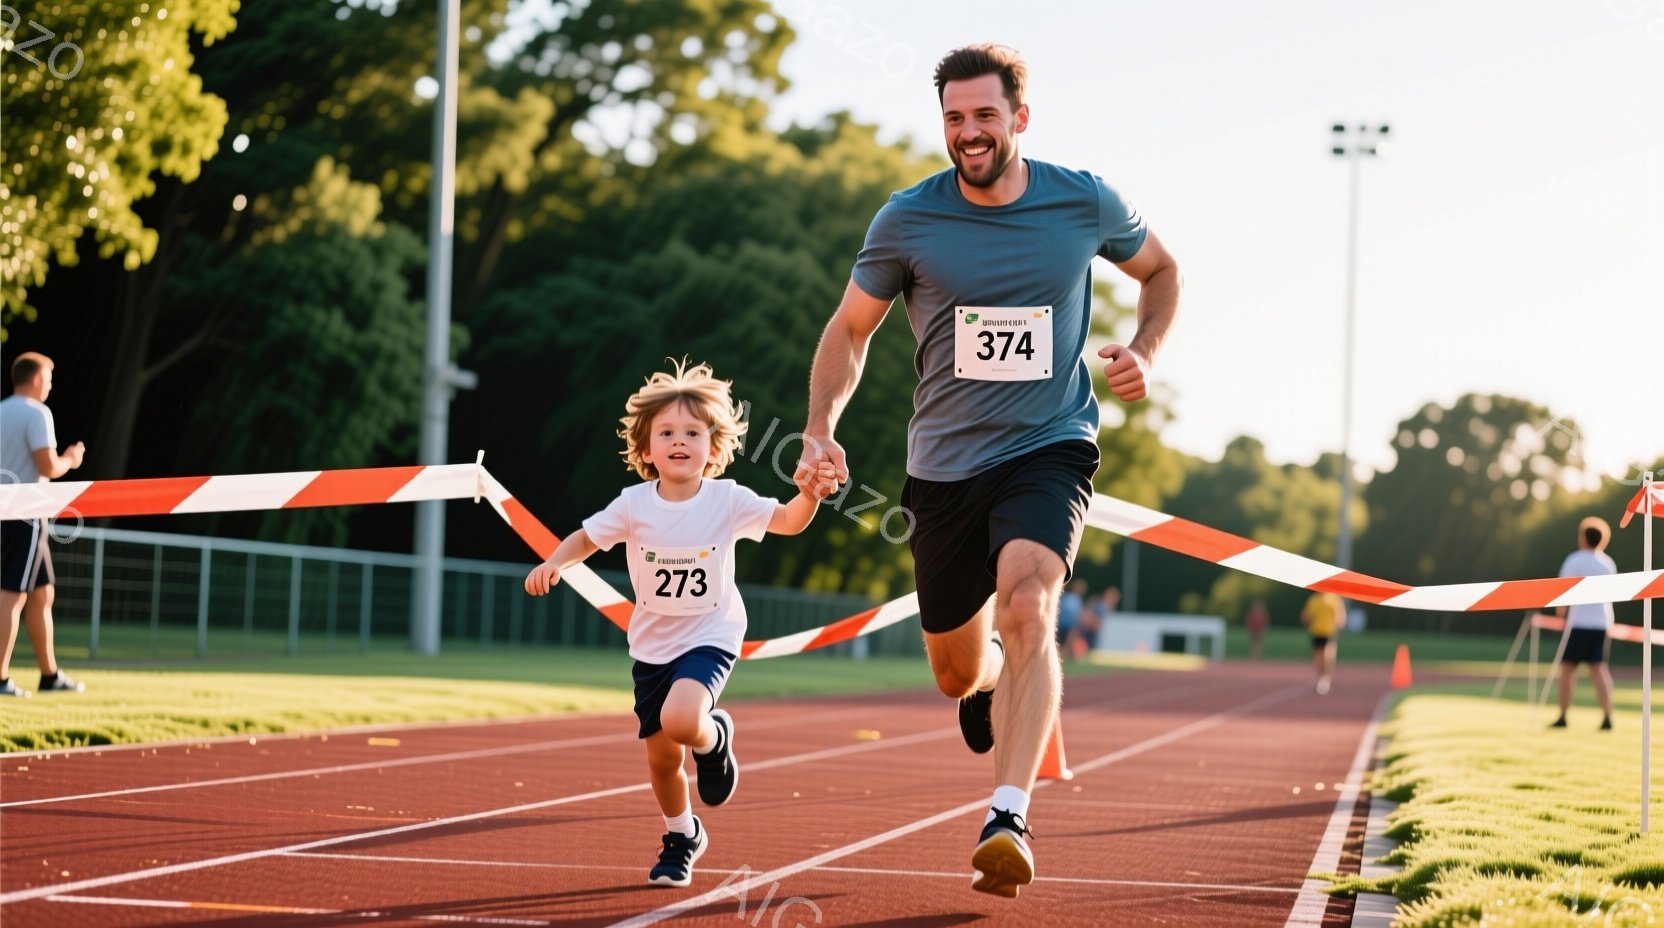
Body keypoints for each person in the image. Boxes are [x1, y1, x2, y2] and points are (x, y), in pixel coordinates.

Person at [795, 43, 1181, 898]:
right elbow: (848, 330)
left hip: (1049, 447)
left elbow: (1161, 269)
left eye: (984, 116)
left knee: (1029, 602)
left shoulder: (1083, 199)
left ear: (1020, 119)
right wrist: (821, 428)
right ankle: (994, 680)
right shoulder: (907, 219)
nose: (969, 133)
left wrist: (1146, 352)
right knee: (956, 672)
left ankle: (1008, 815)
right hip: (942, 470)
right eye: (954, 118)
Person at [524, 360, 835, 888]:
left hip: (711, 633)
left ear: (712, 449)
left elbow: (785, 520)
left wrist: (810, 495)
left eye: (692, 433)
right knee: (663, 759)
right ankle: (681, 833)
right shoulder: (633, 505)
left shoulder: (727, 499)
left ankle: (713, 740)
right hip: (652, 646)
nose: (678, 442)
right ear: (646, 449)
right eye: (666, 433)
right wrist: (557, 560)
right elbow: (586, 537)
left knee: (682, 718)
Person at [0, 352, 87, 697]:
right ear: (35, 379)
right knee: (12, 595)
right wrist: (71, 458)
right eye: (49, 378)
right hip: (25, 514)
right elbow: (47, 465)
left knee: (41, 594)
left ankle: (49, 675)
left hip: (7, 513)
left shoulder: (2, 410)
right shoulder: (38, 413)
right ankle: (1, 678)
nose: (50, 385)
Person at [1550, 516, 1616, 731]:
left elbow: (1561, 592)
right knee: (1599, 670)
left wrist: (1561, 616)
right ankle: (1607, 717)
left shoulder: (1574, 560)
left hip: (1578, 623)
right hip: (1601, 624)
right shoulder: (1607, 563)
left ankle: (1563, 716)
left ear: (1583, 538)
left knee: (1568, 669)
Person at [1300, 591, 1345, 694]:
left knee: (1327, 656)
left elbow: (1340, 615)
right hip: (1316, 632)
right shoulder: (1313, 600)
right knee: (1318, 657)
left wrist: (1339, 624)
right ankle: (1319, 677)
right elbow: (1306, 615)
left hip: (1329, 632)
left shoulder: (1334, 599)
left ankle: (1325, 679)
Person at [1055, 579, 1085, 661]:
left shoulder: (1077, 599)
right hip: (1064, 624)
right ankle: (1062, 657)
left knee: (1068, 643)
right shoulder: (1068, 597)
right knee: (1063, 643)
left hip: (1071, 625)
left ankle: (1068, 656)